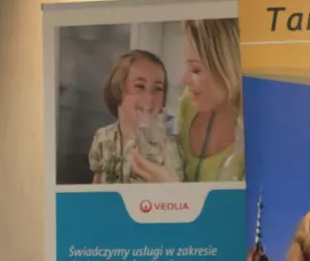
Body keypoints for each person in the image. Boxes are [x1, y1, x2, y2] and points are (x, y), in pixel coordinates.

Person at [132, 19, 243, 183]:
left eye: (196, 70)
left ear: (229, 66)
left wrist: (172, 190)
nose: (184, 80)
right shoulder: (189, 102)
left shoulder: (260, 136)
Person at [90, 49, 184, 184]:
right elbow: (96, 185)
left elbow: (175, 194)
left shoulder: (167, 148)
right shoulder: (102, 137)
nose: (149, 97)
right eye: (139, 86)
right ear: (117, 89)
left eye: (157, 88)